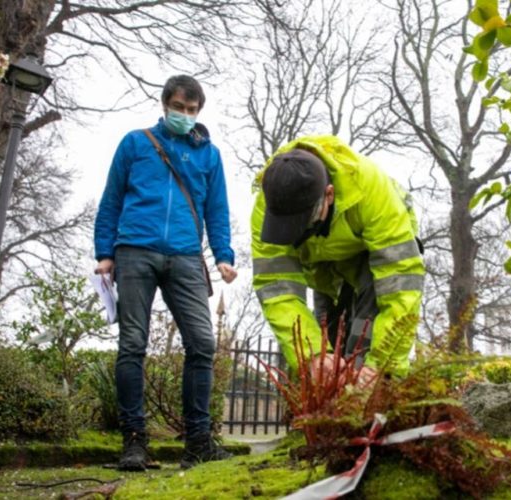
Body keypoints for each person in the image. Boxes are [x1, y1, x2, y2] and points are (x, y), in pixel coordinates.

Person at [94, 75, 237, 471]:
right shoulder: (136, 143)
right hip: (135, 249)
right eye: (178, 108)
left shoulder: (210, 155)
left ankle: (198, 442)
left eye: (191, 111)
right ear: (164, 104)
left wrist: (223, 255)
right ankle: (135, 442)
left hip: (187, 256)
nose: (184, 115)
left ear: (199, 112)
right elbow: (111, 200)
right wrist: (105, 253)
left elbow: (217, 210)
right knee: (133, 343)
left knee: (202, 343)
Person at [250, 135, 424, 379]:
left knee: (365, 349)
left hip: (372, 261)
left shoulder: (370, 190)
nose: (295, 231)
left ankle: (374, 400)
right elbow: (277, 289)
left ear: (328, 195)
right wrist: (313, 356)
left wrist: (381, 367)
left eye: (301, 222)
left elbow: (400, 283)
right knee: (326, 355)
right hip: (323, 272)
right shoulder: (267, 204)